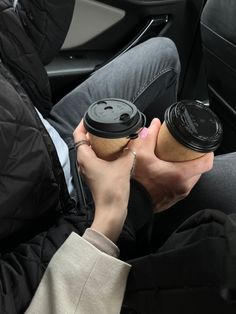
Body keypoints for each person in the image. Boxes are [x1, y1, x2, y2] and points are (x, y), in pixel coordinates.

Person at [1, 1, 236, 313]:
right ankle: (145, 232)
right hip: (58, 222)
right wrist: (135, 201)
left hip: (45, 139)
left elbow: (21, 44)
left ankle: (153, 223)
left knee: (162, 54)